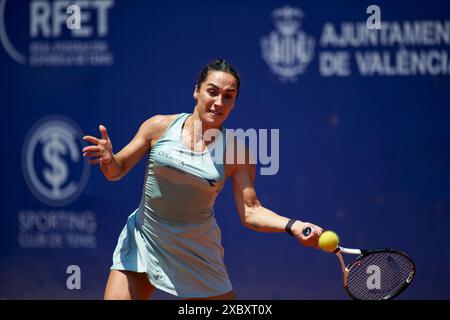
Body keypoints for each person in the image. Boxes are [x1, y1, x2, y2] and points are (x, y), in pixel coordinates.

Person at [82, 59, 324, 300]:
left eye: (228, 96)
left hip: (196, 251)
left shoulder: (237, 153)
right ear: (196, 90)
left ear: (234, 102)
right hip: (145, 238)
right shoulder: (158, 127)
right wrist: (108, 160)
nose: (219, 102)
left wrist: (292, 225)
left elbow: (251, 212)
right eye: (212, 92)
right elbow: (116, 171)